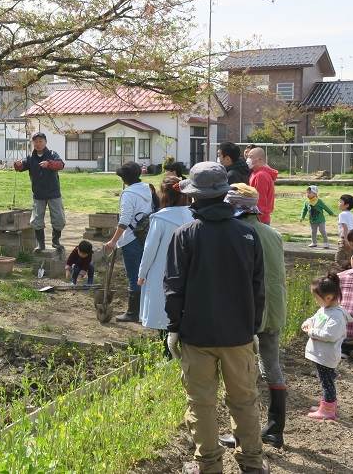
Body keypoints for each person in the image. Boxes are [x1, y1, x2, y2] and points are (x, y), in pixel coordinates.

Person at [164, 161, 267, 474]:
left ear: (193, 197)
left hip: (197, 334)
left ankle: (208, 465)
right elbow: (258, 288)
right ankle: (251, 463)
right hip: (238, 334)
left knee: (202, 404)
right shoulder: (248, 235)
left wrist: (173, 327)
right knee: (244, 400)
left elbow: (173, 287)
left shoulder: (185, 235)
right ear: (224, 194)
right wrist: (253, 328)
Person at [220, 183, 288, 449]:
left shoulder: (238, 233)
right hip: (274, 310)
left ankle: (243, 433)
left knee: (242, 374)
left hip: (247, 312)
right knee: (271, 366)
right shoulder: (273, 234)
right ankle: (275, 428)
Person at [136, 176, 193, 356]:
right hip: (190, 270)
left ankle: (168, 353)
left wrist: (142, 273)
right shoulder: (193, 214)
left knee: (165, 312)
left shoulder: (161, 218)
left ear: (164, 196)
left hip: (163, 270)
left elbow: (150, 249)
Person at [105, 161, 154, 323]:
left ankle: (133, 313)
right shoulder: (147, 188)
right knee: (144, 273)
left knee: (134, 275)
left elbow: (124, 220)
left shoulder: (128, 194)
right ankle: (145, 309)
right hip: (146, 235)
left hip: (132, 238)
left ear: (124, 179)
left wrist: (113, 241)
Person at [302, 272, 352, 421]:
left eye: (317, 298)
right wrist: (308, 321)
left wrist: (311, 332)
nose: (316, 301)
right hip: (321, 355)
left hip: (326, 356)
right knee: (326, 379)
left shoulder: (336, 316)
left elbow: (330, 335)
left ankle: (328, 410)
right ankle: (326, 405)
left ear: (329, 298)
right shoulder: (326, 309)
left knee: (327, 383)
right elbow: (316, 317)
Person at [14, 131, 66, 252]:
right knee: (36, 220)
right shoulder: (31, 158)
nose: (38, 144)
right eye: (35, 142)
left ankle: (55, 241)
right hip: (38, 195)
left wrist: (49, 164)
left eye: (40, 141)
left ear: (45, 142)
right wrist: (17, 165)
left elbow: (61, 165)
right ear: (33, 143)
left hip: (53, 193)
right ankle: (40, 244)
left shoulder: (52, 154)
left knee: (59, 219)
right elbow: (21, 167)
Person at [247, 147, 277, 224]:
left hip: (259, 220)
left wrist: (256, 220)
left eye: (250, 157)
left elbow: (260, 202)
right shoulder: (255, 173)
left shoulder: (261, 176)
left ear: (260, 159)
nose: (248, 159)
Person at [337, 194, 353, 267]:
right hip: (352, 238)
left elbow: (345, 228)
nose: (338, 204)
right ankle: (349, 269)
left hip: (344, 238)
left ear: (346, 205)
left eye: (340, 202)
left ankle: (345, 270)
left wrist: (345, 240)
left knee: (338, 259)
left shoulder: (342, 214)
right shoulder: (351, 214)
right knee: (349, 257)